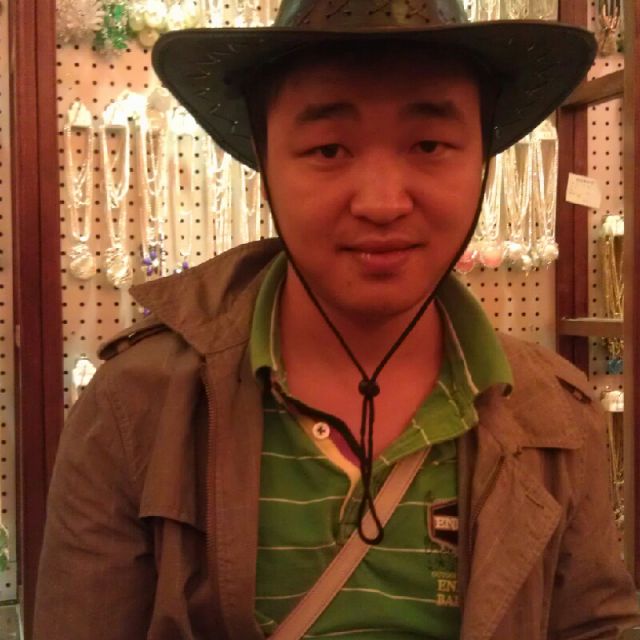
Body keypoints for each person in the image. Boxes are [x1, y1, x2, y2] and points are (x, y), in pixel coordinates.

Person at [34, 0, 640, 638]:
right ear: (265, 161)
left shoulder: (555, 417)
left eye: (429, 144)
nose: (382, 203)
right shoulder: (137, 409)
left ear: (482, 160)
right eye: (328, 149)